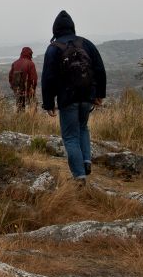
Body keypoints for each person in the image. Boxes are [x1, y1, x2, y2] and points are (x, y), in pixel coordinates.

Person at [41, 10, 106, 184]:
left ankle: (79, 176)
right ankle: (86, 161)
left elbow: (48, 77)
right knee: (83, 128)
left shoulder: (53, 49)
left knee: (70, 136)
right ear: (72, 27)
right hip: (87, 96)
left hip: (67, 98)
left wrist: (48, 103)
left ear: (55, 29)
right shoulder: (86, 44)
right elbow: (99, 69)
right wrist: (99, 94)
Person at [8, 47, 38, 111]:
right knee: (32, 112)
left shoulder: (15, 63)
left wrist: (15, 89)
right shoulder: (30, 64)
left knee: (20, 111)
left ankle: (20, 120)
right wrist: (32, 90)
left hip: (18, 92)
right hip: (29, 93)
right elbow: (34, 80)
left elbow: (10, 78)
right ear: (30, 54)